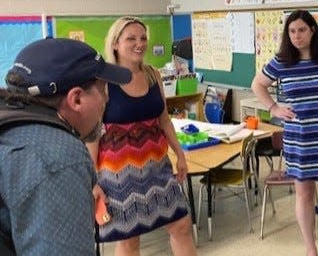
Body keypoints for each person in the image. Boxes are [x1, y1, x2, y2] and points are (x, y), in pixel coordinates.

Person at [0, 38, 132, 255]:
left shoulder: (10, 122)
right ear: (76, 99)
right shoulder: (59, 157)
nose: (107, 98)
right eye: (102, 89)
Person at [251, 9, 318, 256]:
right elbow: (257, 84)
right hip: (300, 138)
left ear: (312, 30)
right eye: (291, 31)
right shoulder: (282, 60)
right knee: (304, 193)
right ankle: (311, 249)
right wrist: (274, 107)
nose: (296, 36)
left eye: (301, 30)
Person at [86, 16, 197, 256]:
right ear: (115, 43)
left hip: (159, 166)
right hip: (118, 174)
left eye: (143, 38)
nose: (140, 43)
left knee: (181, 225)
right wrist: (92, 181)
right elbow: (92, 134)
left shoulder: (152, 74)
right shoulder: (103, 82)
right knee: (128, 239)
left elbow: (164, 120)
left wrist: (180, 154)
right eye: (131, 38)